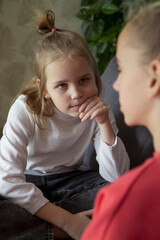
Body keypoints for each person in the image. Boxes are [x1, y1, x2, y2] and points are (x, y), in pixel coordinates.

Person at [0, 9, 130, 240]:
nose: (77, 94)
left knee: (127, 194)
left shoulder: (98, 109)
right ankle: (62, 227)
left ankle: (42, 222)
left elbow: (117, 176)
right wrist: (68, 221)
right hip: (26, 180)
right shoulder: (25, 109)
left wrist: (104, 126)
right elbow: (9, 182)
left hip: (69, 182)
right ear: (44, 89)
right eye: (62, 85)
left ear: (95, 76)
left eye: (84, 80)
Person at [81, 1, 160, 240]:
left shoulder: (126, 201)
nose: (114, 84)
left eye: (122, 68)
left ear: (154, 78)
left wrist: (111, 214)